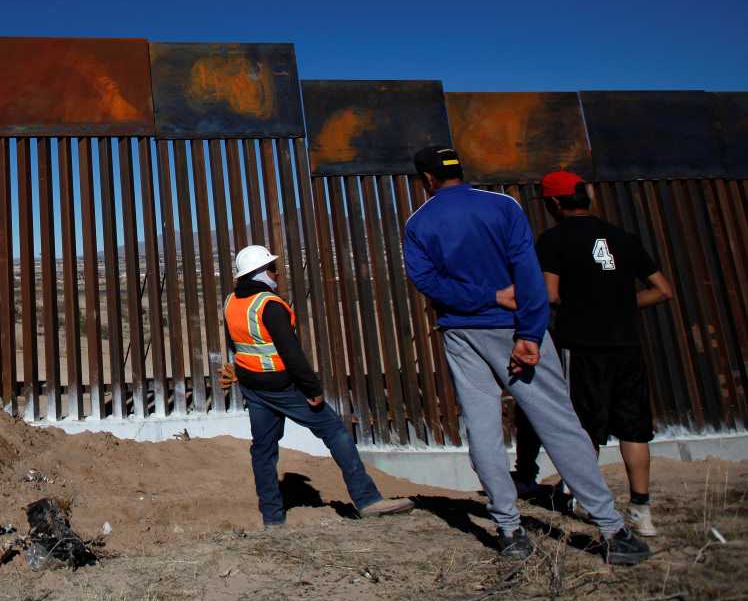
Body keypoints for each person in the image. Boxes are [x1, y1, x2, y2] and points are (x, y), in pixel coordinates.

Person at [401, 146, 650, 565]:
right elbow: (528, 273)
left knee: (482, 430)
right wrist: (531, 334)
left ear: (426, 179)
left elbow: (425, 280)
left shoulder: (419, 222)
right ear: (460, 171)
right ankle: (612, 530)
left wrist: (483, 297)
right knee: (559, 423)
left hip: (462, 333)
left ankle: (510, 530)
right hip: (516, 328)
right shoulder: (503, 207)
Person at [221, 243, 414, 528]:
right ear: (261, 272)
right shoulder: (269, 306)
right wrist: (312, 389)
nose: (277, 274)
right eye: (273, 268)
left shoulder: (231, 302)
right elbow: (292, 353)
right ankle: (368, 499)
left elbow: (236, 343)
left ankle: (273, 518)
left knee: (263, 450)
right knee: (335, 430)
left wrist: (240, 369)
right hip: (283, 387)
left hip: (253, 386)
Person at [529, 169, 674, 537]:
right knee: (635, 428)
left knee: (583, 426)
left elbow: (549, 293)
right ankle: (642, 510)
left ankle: (586, 500)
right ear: (586, 197)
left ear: (554, 203)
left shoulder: (553, 240)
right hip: (627, 343)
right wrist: (623, 304)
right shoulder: (623, 237)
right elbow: (662, 290)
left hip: (583, 344)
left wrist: (582, 303)